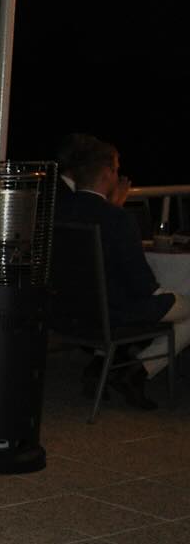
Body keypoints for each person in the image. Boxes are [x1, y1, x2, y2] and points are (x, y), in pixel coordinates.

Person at [57, 134, 187, 408]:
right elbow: (143, 286)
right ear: (106, 173)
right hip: (111, 315)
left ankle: (103, 363)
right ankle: (137, 372)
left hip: (66, 312)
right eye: (116, 169)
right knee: (183, 305)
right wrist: (166, 293)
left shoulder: (59, 211)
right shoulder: (118, 219)